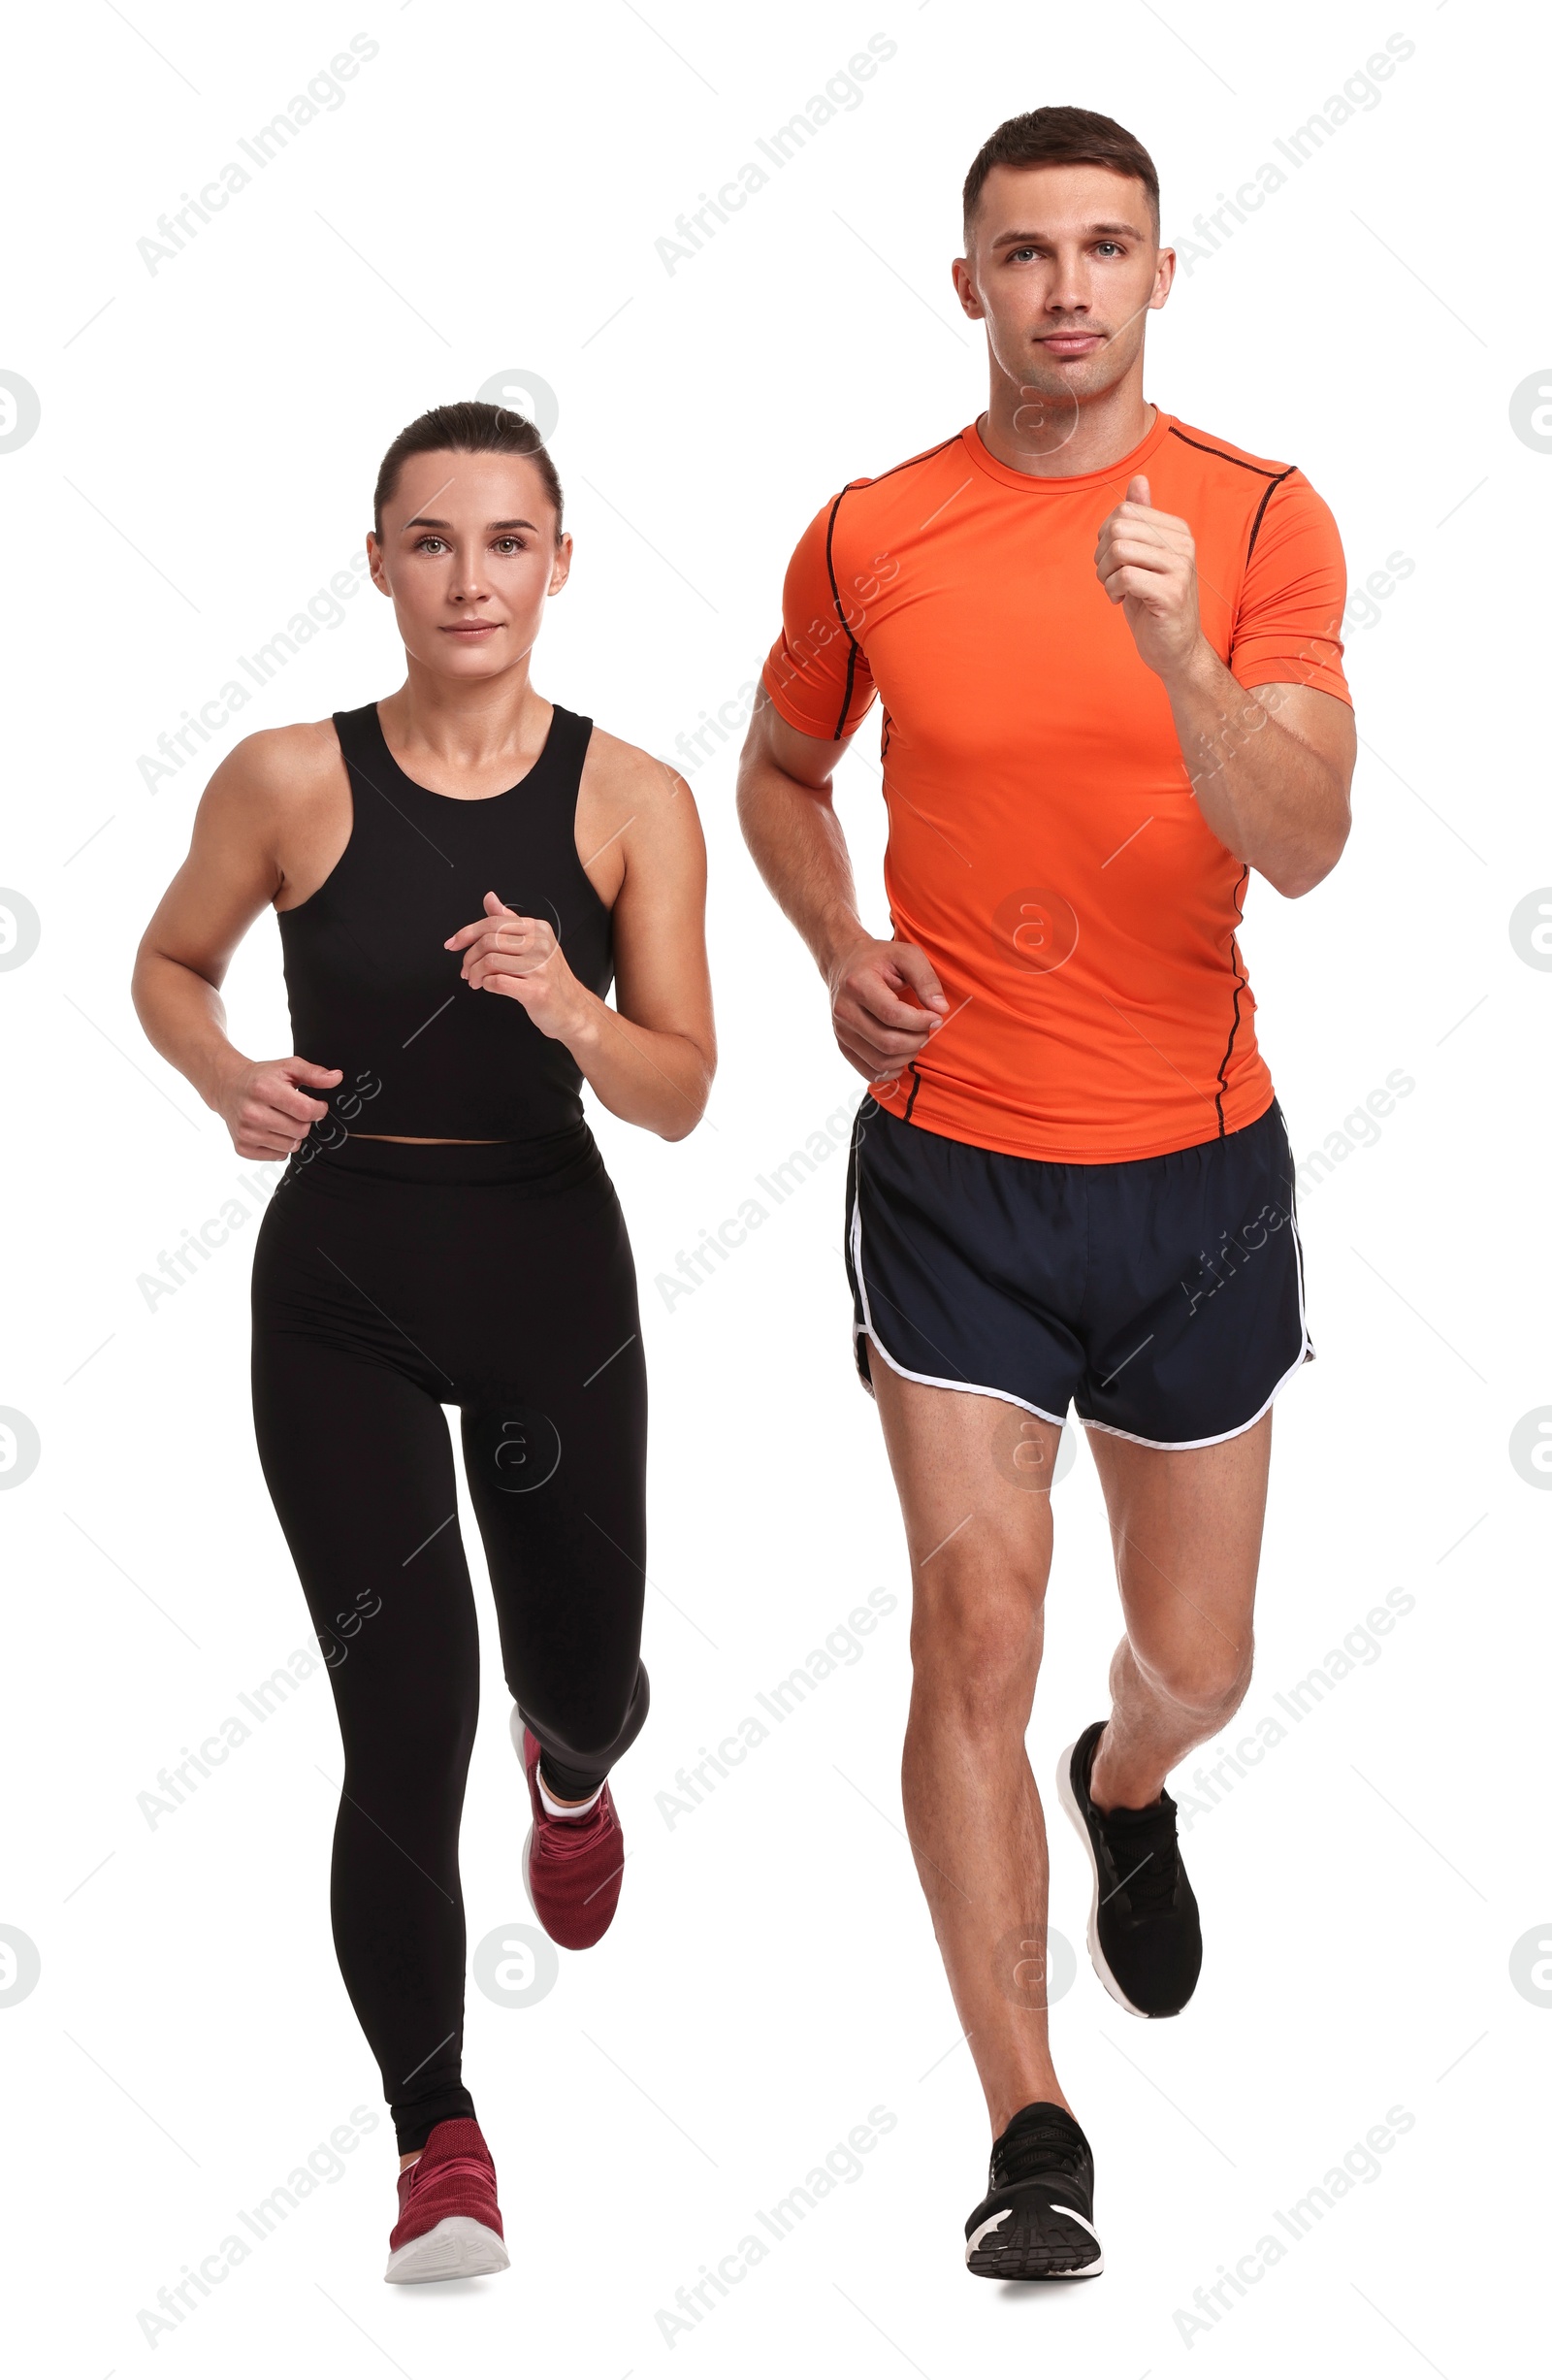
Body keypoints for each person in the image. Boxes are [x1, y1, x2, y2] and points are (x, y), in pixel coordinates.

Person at [737, 107, 1353, 2280]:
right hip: (954, 1182)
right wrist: (832, 949)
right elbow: (782, 766)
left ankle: (1124, 1786)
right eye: (1023, 252)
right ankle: (1028, 2121)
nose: (1065, 287)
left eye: (1105, 249)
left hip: (1189, 1186)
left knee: (1196, 1657)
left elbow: (1301, 843)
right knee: (966, 1627)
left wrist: (1180, 654)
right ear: (967, 282)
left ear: (1160, 277)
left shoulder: (1260, 519)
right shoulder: (870, 530)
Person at [132, 402, 714, 2285]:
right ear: (379, 561)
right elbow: (167, 958)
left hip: (550, 1269)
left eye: (506, 541)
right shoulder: (286, 779)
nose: (470, 579)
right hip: (343, 1293)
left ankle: (577, 1764)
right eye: (432, 541)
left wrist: (563, 1000)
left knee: (579, 1675)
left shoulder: (630, 802)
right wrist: (221, 1068)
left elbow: (684, 1093)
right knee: (402, 1720)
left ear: (558, 562)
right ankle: (434, 2139)